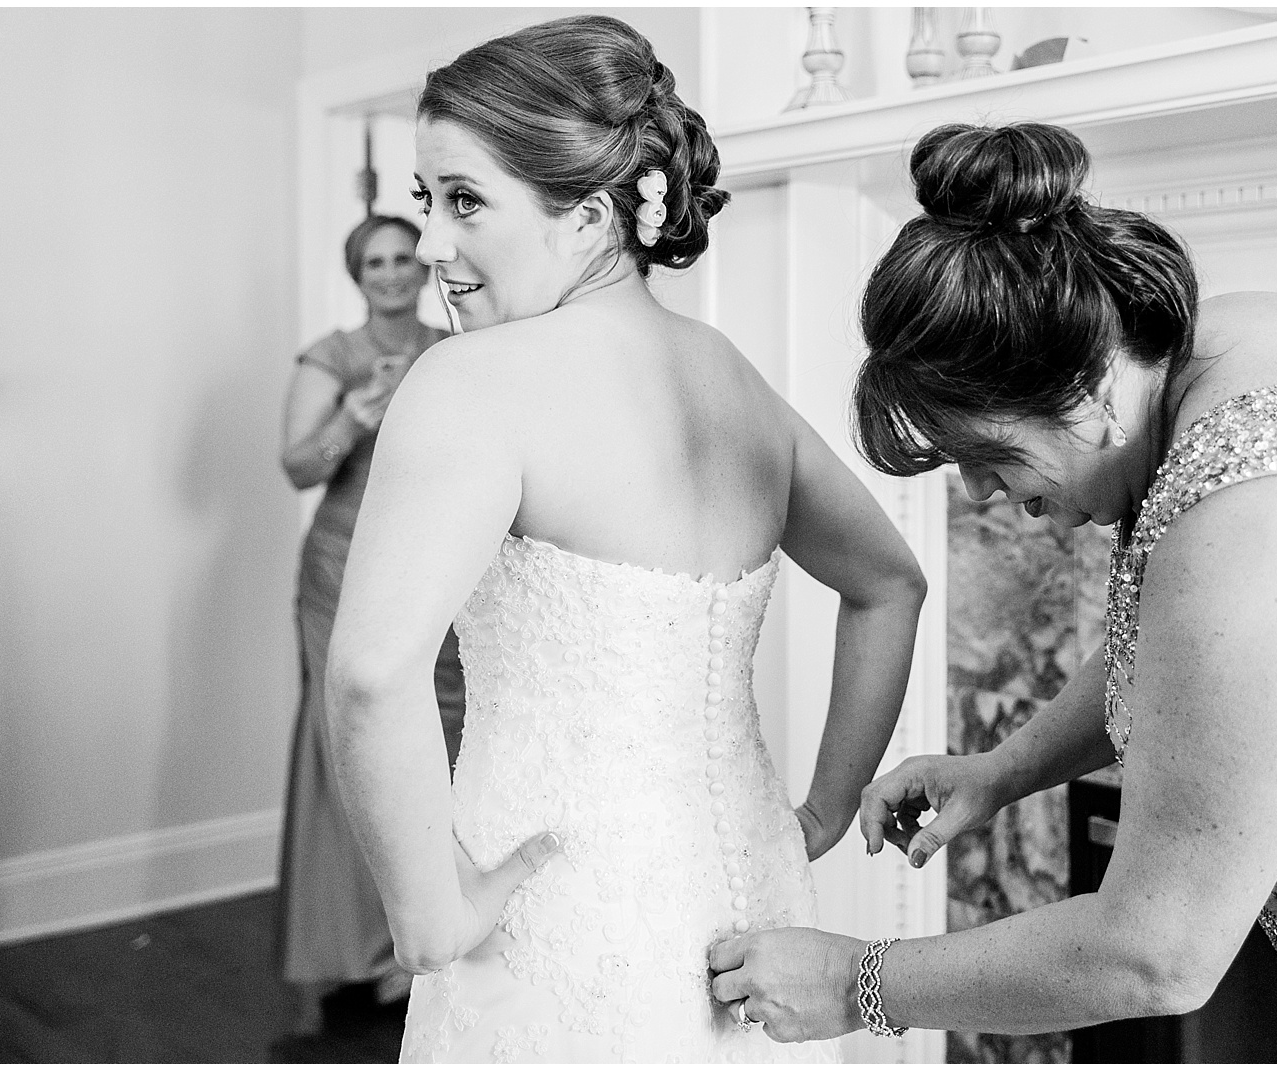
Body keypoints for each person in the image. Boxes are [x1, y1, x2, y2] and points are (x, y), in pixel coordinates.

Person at [707, 122, 1277, 1063]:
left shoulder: (1262, 516)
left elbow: (1156, 953)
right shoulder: (1234, 343)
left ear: (1085, 385)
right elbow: (1190, 655)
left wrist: (854, 981)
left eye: (987, 454)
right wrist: (1007, 768)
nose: (982, 494)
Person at [323, 15, 926, 1063]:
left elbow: (372, 673)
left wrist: (426, 915)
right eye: (428, 202)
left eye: (465, 201)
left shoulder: (471, 382)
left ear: (592, 216)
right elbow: (889, 582)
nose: (428, 246)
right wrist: (822, 808)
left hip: (556, 923)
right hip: (752, 898)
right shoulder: (728, 374)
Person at [277, 215, 467, 1030]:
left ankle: (429, 929)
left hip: (437, 567)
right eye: (375, 261)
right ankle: (359, 951)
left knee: (444, 740)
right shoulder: (333, 356)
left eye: (402, 258)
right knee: (349, 748)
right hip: (341, 572)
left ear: (422, 267)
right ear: (357, 273)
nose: (392, 272)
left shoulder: (456, 344)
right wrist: (355, 415)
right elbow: (295, 465)